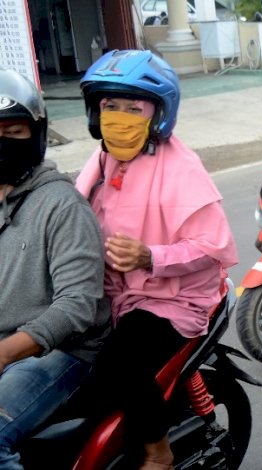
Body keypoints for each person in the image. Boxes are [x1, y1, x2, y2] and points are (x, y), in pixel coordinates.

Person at [74, 50, 238, 470]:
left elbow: (215, 247)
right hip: (111, 293)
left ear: (158, 113)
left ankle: (157, 451)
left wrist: (151, 256)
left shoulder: (182, 169)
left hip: (172, 299)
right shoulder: (101, 159)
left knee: (118, 365)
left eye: (133, 107)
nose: (118, 117)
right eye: (110, 106)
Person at [0, 68, 110, 469]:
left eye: (14, 133)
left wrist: (5, 352)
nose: (2, 143)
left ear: (37, 134)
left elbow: (77, 305)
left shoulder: (61, 205)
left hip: (61, 352)